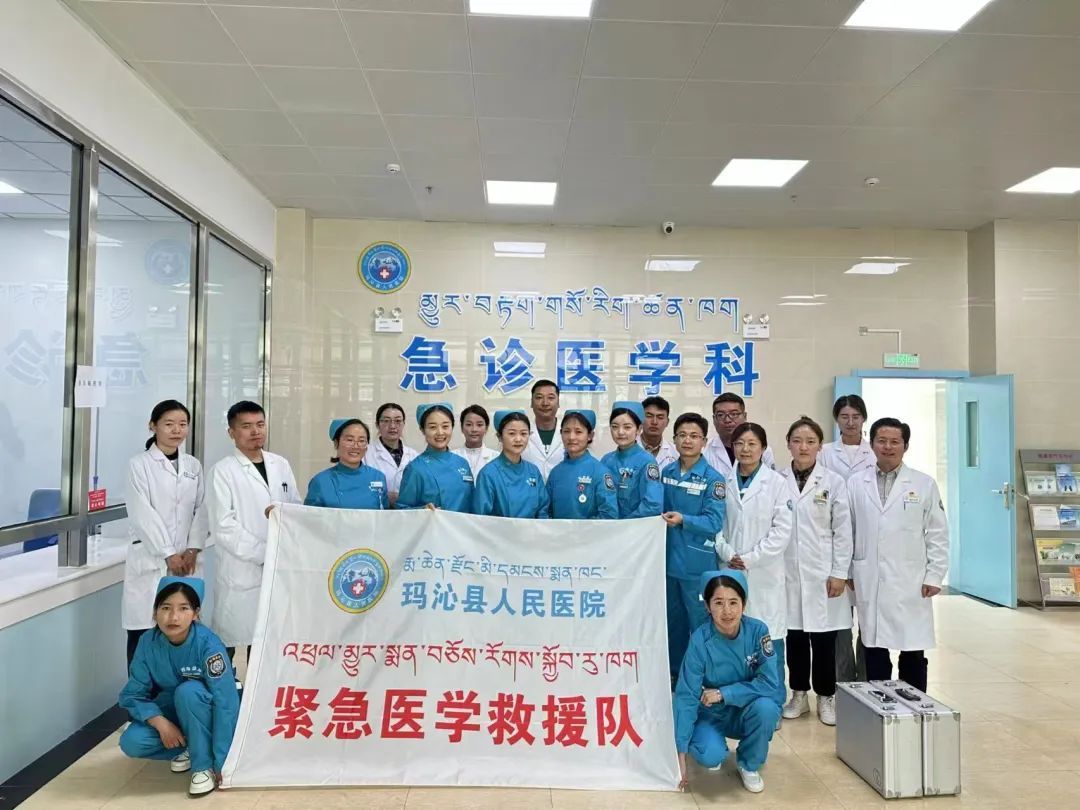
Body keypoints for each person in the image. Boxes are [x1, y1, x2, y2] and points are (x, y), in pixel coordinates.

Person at [847, 418, 949, 692]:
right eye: (882, 441)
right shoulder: (856, 483)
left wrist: (935, 574)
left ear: (905, 446)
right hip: (869, 575)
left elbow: (938, 533)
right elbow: (848, 531)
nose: (888, 447)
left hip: (910, 579)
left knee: (912, 648)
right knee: (874, 647)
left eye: (895, 442)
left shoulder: (923, 484)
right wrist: (848, 571)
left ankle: (914, 704)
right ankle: (879, 704)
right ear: (872, 444)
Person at [119, 576, 239, 797]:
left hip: (208, 711)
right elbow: (133, 694)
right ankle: (194, 746)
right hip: (173, 710)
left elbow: (226, 703)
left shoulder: (208, 645)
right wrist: (161, 723)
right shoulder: (147, 642)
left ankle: (203, 766)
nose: (173, 617)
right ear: (155, 612)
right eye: (166, 608)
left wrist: (223, 762)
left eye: (183, 608)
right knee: (132, 742)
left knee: (189, 692)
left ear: (195, 613)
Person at [674, 568, 782, 795]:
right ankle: (710, 744)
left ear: (744, 603)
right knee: (710, 756)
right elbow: (686, 694)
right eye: (718, 603)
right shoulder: (700, 640)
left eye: (733, 602)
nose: (727, 611)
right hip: (711, 713)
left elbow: (770, 683)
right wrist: (680, 755)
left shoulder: (757, 631)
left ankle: (749, 764)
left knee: (767, 709)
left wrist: (724, 693)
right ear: (707, 606)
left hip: (746, 710)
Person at [209, 401, 300, 661]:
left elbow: (295, 506)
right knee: (229, 644)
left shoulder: (280, 464)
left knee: (266, 647)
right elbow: (223, 526)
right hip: (241, 570)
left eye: (260, 424)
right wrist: (264, 552)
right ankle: (226, 687)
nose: (255, 431)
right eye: (246, 426)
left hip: (278, 566)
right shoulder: (222, 471)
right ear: (231, 432)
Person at [123, 400, 209, 668]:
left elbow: (202, 509)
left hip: (187, 561)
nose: (177, 430)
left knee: (183, 631)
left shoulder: (193, 466)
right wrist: (169, 553)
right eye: (169, 424)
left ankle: (178, 691)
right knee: (144, 633)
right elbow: (142, 513)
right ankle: (140, 692)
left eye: (182, 424)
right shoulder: (139, 465)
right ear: (153, 426)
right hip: (152, 560)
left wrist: (193, 549)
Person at [778, 417, 853, 727]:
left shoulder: (833, 482)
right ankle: (798, 694)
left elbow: (843, 530)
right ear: (788, 444)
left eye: (810, 441)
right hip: (788, 572)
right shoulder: (778, 480)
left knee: (824, 640)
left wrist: (839, 572)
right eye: (797, 440)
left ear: (820, 446)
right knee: (794, 637)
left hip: (823, 572)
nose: (803, 447)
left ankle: (825, 696)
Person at [718, 423, 792, 710]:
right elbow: (716, 524)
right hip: (730, 568)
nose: (745, 449)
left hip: (764, 573)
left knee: (768, 639)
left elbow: (781, 532)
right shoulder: (724, 482)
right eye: (740, 444)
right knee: (734, 637)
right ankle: (739, 700)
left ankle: (773, 701)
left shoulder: (777, 484)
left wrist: (749, 558)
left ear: (763, 448)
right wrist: (728, 552)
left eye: (752, 444)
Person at [662, 413, 726, 680]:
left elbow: (714, 522)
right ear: (674, 439)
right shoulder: (666, 473)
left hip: (696, 566)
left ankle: (706, 676)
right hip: (667, 564)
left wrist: (684, 520)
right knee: (673, 623)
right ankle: (675, 675)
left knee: (700, 623)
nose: (687, 440)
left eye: (694, 436)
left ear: (704, 441)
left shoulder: (713, 479)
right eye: (682, 435)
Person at [819, 395, 873, 684]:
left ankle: (865, 680)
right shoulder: (825, 452)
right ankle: (843, 682)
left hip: (867, 541)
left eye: (856, 416)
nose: (850, 422)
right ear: (836, 419)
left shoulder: (875, 452)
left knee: (868, 620)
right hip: (834, 542)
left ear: (864, 418)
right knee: (839, 623)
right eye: (844, 416)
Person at [397, 403, 474, 512]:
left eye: (445, 426)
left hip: (463, 523)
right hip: (432, 524)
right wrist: (422, 510)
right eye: (432, 427)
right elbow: (402, 510)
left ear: (452, 427)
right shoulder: (415, 469)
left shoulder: (462, 463)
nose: (440, 432)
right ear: (422, 430)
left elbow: (473, 503)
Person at [473, 410, 551, 519]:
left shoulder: (533, 471)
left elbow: (543, 510)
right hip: (499, 530)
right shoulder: (488, 474)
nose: (518, 439)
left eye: (523, 434)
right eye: (512, 433)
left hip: (533, 530)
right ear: (500, 437)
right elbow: (481, 517)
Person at [546, 409, 618, 519]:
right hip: (557, 530)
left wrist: (582, 529)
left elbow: (609, 514)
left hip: (590, 530)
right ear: (561, 433)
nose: (571, 437)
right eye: (566, 431)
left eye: (578, 432)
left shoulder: (600, 472)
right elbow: (545, 510)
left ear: (590, 435)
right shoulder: (555, 473)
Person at [304, 419, 387, 510]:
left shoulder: (377, 477)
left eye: (361, 441)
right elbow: (310, 516)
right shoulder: (321, 481)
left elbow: (385, 515)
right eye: (350, 440)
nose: (356, 446)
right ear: (336, 443)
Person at [601, 400, 663, 519]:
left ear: (639, 429)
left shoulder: (647, 461)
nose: (620, 432)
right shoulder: (606, 460)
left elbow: (652, 505)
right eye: (615, 427)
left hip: (635, 527)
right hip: (607, 526)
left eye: (627, 427)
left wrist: (625, 524)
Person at [704, 393, 775, 481]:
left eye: (734, 414)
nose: (727, 420)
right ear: (714, 419)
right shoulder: (705, 451)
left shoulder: (763, 450)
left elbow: (770, 482)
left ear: (745, 416)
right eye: (721, 415)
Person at [364, 402, 419, 507]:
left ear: (403, 424)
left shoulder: (414, 456)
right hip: (376, 511)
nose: (392, 426)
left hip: (407, 512)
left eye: (398, 421)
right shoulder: (366, 454)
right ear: (377, 425)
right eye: (386, 421)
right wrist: (387, 497)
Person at [521, 379, 563, 480]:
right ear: (531, 403)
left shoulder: (569, 434)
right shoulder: (521, 434)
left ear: (558, 403)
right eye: (539, 397)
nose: (545, 403)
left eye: (551, 398)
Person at [453, 404, 499, 480]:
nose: (474, 429)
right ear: (462, 428)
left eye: (479, 425)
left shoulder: (496, 457)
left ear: (486, 428)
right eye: (469, 424)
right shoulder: (452, 456)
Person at [641, 395, 679, 470]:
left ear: (667, 422)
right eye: (649, 416)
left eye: (660, 417)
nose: (654, 422)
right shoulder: (628, 449)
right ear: (640, 419)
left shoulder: (676, 453)